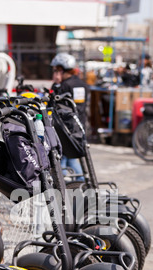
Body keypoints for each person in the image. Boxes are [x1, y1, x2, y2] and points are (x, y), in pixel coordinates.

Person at [50, 53, 89, 181]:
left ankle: (64, 186)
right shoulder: (81, 84)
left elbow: (54, 104)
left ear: (62, 69)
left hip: (64, 128)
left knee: (60, 159)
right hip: (78, 126)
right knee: (70, 158)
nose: (55, 72)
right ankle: (82, 183)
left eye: (56, 69)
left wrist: (56, 85)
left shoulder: (64, 85)